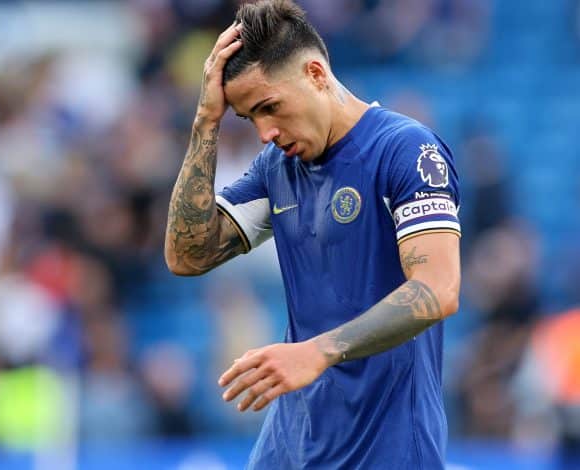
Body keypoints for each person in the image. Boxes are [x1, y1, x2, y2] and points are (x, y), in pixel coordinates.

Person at [163, 1, 461, 468]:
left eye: (270, 108)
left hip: (386, 448)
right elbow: (188, 255)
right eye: (249, 118)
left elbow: (438, 289)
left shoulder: (405, 150)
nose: (265, 132)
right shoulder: (277, 168)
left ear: (316, 74)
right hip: (290, 448)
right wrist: (205, 122)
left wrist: (319, 352)